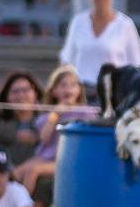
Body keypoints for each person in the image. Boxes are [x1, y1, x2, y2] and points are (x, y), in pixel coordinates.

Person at [56, 0, 140, 87]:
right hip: (82, 90)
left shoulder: (125, 25)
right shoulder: (78, 22)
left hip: (113, 91)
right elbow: (67, 60)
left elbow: (137, 63)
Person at [20, 64, 91, 196]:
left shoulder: (86, 113)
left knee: (32, 170)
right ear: (54, 91)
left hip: (68, 161)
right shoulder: (48, 116)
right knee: (17, 171)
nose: (68, 89)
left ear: (80, 90)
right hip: (45, 159)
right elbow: (44, 138)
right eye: (63, 85)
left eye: (73, 85)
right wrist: (55, 115)